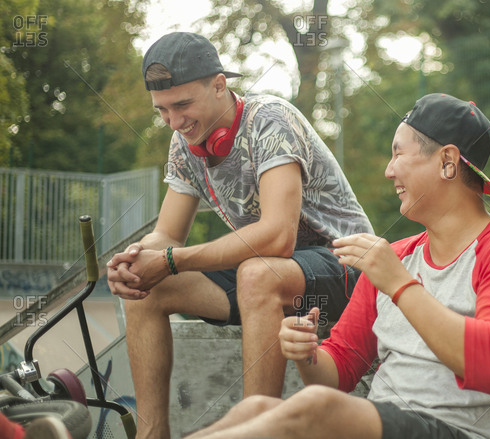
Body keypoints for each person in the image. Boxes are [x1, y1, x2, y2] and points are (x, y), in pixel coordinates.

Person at [185, 93, 490, 439]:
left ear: (447, 162)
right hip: (387, 424)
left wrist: (399, 283)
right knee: (255, 408)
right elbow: (337, 375)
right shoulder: (396, 257)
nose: (389, 171)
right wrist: (307, 353)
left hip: (462, 432)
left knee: (315, 408)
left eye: (398, 154)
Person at [106, 32, 373, 439]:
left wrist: (172, 260)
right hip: (271, 272)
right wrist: (136, 260)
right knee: (148, 288)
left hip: (346, 266)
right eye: (162, 110)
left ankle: (254, 430)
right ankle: (151, 433)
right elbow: (167, 235)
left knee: (256, 272)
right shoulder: (184, 143)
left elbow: (277, 236)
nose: (175, 122)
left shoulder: (270, 119)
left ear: (219, 84)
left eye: (182, 105)